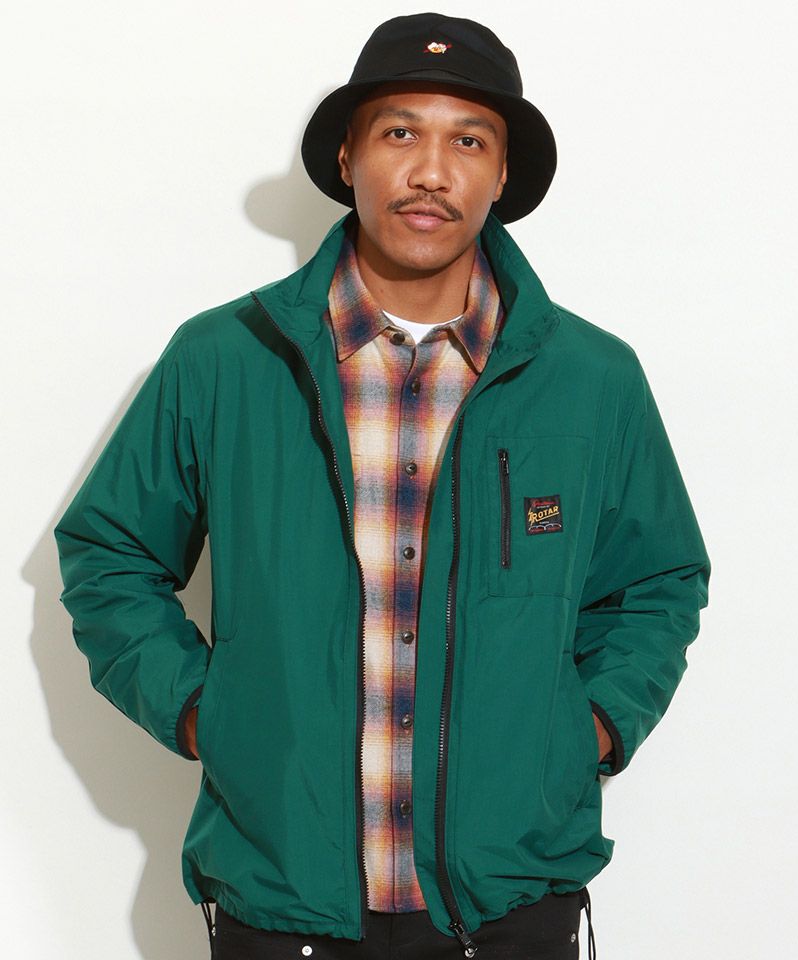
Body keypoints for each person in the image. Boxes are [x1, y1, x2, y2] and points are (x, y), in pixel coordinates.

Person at [54, 13, 711, 960]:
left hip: (512, 904)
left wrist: (590, 728)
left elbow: (657, 582)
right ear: (348, 154)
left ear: (503, 174)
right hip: (282, 900)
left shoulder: (592, 379)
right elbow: (111, 553)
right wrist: (208, 714)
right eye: (401, 132)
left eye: (469, 141)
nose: (432, 171)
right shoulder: (226, 360)